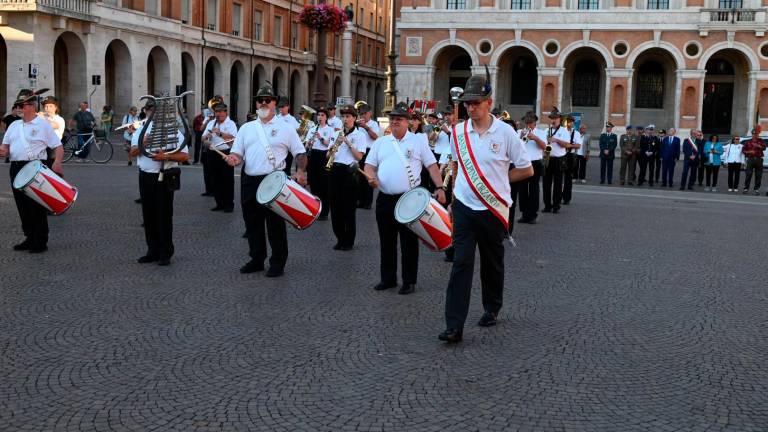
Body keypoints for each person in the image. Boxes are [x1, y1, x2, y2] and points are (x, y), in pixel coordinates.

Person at [439, 74, 533, 344]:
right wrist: (455, 198)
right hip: (466, 209)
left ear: (489, 102)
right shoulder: (458, 133)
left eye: (476, 103)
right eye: (467, 103)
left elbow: (526, 169)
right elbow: (456, 166)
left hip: (493, 210)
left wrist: (501, 181)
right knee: (461, 263)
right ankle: (454, 325)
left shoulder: (506, 133)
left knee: (492, 264)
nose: (471, 108)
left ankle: (492, 307)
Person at [363, 102, 446, 295]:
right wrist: (370, 177)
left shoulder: (418, 141)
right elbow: (369, 165)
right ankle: (388, 278)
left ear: (408, 122)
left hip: (409, 199)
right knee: (386, 240)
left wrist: (440, 187)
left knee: (409, 241)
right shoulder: (381, 142)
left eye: (398, 120)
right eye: (392, 119)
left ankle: (409, 281)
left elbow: (432, 166)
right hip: (385, 198)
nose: (394, 123)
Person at [226, 85, 308, 278]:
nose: (263, 102)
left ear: (274, 103)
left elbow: (300, 153)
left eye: (267, 100)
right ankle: (256, 259)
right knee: (252, 223)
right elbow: (237, 152)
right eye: (260, 100)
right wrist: (234, 159)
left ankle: (278, 262)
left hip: (274, 181)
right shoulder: (246, 128)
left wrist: (301, 171)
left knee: (275, 224)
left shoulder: (286, 128)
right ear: (256, 103)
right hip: (249, 180)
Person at [0, 90, 64, 253]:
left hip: (36, 166)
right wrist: (3, 151)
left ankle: (41, 240)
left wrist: (57, 162)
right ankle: (29, 237)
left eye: (21, 105)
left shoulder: (43, 124)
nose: (18, 108)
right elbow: (5, 147)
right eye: (18, 105)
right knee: (21, 204)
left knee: (36, 205)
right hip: (16, 167)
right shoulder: (14, 125)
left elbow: (57, 146)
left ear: (31, 106)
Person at [129, 99, 188, 266]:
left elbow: (184, 156)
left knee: (164, 215)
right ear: (146, 111)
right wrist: (144, 142)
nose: (152, 112)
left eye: (155, 109)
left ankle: (165, 252)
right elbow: (133, 153)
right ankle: (152, 250)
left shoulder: (173, 130)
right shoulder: (140, 131)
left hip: (165, 176)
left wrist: (166, 156)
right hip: (146, 176)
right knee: (148, 215)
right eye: (149, 109)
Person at [328, 105, 366, 250]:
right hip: (334, 170)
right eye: (343, 116)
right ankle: (339, 238)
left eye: (348, 116)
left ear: (354, 118)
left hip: (350, 173)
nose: (345, 119)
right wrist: (333, 147)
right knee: (335, 206)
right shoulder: (336, 133)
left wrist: (348, 143)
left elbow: (359, 157)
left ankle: (349, 240)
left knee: (348, 209)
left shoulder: (360, 135)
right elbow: (328, 155)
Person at [202, 103, 237, 212]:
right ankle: (219, 203)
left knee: (227, 180)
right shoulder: (211, 123)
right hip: (213, 153)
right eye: (217, 112)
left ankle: (229, 205)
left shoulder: (231, 124)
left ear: (226, 112)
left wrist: (220, 133)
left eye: (221, 111)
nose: (219, 114)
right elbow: (202, 138)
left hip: (226, 153)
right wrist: (206, 138)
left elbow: (233, 139)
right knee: (215, 179)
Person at [517, 111, 546, 225]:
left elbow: (545, 147)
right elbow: (515, 147)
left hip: (535, 163)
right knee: (522, 189)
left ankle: (533, 215)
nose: (528, 125)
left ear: (535, 123)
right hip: (523, 163)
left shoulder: (540, 132)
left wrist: (535, 138)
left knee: (534, 189)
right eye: (527, 122)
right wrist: (520, 138)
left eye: (530, 123)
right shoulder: (519, 132)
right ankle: (524, 214)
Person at [307, 106, 334, 220]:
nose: (320, 117)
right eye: (318, 115)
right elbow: (306, 145)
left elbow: (330, 145)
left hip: (324, 156)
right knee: (313, 183)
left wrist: (320, 138)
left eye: (322, 115)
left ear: (326, 117)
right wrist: (309, 142)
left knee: (324, 184)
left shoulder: (330, 129)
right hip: (313, 155)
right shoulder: (312, 128)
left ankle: (324, 211)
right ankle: (314, 209)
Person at [542, 107, 570, 213]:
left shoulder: (563, 131)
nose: (553, 120)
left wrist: (556, 140)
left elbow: (566, 145)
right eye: (552, 118)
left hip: (559, 159)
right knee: (546, 184)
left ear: (559, 119)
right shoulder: (546, 130)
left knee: (558, 184)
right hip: (548, 158)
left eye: (555, 118)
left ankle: (556, 206)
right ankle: (547, 205)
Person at [355, 102, 380, 209]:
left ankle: (368, 202)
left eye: (364, 114)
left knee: (368, 177)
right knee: (359, 177)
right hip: (360, 151)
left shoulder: (374, 124)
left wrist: (366, 127)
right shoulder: (358, 124)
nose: (363, 116)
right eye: (361, 114)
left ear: (370, 113)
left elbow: (375, 137)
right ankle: (360, 200)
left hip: (370, 151)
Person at [560, 114, 581, 205]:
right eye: (569, 121)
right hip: (561, 154)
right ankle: (558, 197)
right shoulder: (561, 131)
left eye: (572, 122)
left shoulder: (576, 133)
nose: (570, 123)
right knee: (559, 177)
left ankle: (567, 198)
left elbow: (578, 145)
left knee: (568, 177)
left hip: (570, 155)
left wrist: (569, 145)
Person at [276, 97, 299, 177]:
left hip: (287, 148)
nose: (281, 109)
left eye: (283, 107)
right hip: (276, 147)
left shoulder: (292, 119)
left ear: (288, 107)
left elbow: (297, 133)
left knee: (286, 170)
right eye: (280, 107)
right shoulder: (276, 118)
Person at [741, 126, 765, 195]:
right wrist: (749, 152)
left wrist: (758, 146)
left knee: (758, 175)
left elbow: (764, 148)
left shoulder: (761, 140)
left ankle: (756, 189)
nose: (755, 135)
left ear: (758, 134)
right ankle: (746, 188)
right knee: (748, 174)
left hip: (759, 159)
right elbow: (743, 150)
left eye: (756, 134)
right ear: (752, 134)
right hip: (750, 159)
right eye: (754, 134)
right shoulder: (748, 142)